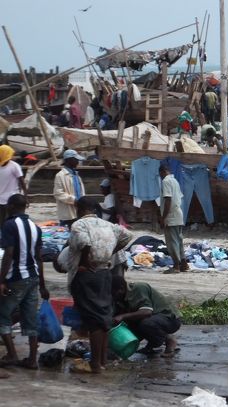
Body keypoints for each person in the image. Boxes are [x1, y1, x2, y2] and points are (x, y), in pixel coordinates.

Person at [67, 197, 132, 374]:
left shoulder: (79, 225)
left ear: (80, 209)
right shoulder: (108, 225)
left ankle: (95, 364)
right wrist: (110, 251)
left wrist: (84, 260)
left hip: (87, 274)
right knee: (103, 319)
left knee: (94, 321)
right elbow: (127, 235)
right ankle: (102, 361)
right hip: (105, 272)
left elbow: (84, 242)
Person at [0, 194, 49, 370]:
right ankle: (32, 359)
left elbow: (9, 254)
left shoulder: (9, 225)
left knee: (3, 315)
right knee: (30, 316)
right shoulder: (35, 227)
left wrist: (1, 280)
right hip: (33, 277)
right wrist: (42, 284)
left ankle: (12, 354)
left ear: (12, 206)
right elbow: (39, 257)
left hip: (16, 277)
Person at [111, 277, 181, 357]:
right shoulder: (119, 298)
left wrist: (122, 316)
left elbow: (147, 312)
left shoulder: (139, 288)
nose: (112, 296)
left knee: (146, 324)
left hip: (169, 319)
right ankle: (150, 347)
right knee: (129, 330)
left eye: (113, 293)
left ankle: (169, 340)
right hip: (153, 319)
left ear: (122, 288)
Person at [158, 165, 186, 274]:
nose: (160, 176)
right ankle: (184, 264)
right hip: (178, 213)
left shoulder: (166, 181)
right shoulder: (175, 181)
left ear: (163, 172)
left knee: (172, 242)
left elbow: (168, 200)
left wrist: (163, 217)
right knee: (179, 240)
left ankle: (176, 266)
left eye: (160, 174)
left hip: (171, 215)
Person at [53, 149, 86, 227]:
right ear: (69, 160)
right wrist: (74, 200)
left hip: (79, 210)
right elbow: (58, 193)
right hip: (67, 213)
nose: (78, 162)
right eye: (76, 160)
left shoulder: (76, 175)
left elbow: (81, 192)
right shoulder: (60, 175)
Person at [0, 145, 27, 225]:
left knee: (11, 221)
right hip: (0, 200)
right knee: (2, 222)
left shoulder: (14, 166)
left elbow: (21, 181)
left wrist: (25, 196)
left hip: (12, 199)